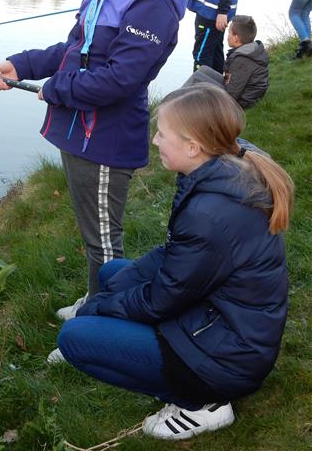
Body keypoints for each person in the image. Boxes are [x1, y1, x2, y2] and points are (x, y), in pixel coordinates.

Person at [54, 84, 293, 441]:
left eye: (162, 134)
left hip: (228, 358)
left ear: (193, 147)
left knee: (74, 338)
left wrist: (96, 309)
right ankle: (137, 346)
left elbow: (161, 300)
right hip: (222, 319)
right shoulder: (220, 169)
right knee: (112, 273)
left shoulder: (209, 213)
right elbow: (175, 254)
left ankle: (200, 403)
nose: (154, 141)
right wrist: (111, 295)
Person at [0, 0, 189, 316]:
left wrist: (57, 90)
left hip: (105, 138)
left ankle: (99, 322)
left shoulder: (151, 3)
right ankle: (94, 301)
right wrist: (23, 65)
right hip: (80, 129)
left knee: (103, 240)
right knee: (90, 231)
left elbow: (120, 79)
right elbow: (75, 49)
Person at [183, 15, 269, 109]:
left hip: (241, 102)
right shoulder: (249, 49)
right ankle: (184, 102)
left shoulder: (241, 61)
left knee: (197, 78)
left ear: (236, 38)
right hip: (240, 92)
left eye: (229, 34)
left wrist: (210, 90)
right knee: (203, 69)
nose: (227, 37)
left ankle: (176, 105)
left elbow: (231, 95)